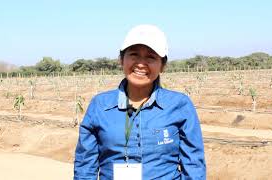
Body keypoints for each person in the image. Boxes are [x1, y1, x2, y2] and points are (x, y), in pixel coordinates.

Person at [74, 24, 206, 179]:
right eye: (134, 54)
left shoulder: (180, 105)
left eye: (151, 57)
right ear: (121, 60)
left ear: (162, 65)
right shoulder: (100, 105)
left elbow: (194, 166)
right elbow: (85, 166)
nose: (141, 63)